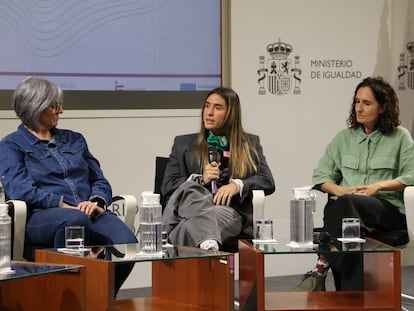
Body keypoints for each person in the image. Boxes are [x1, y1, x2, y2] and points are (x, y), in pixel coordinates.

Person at [0, 77, 138, 295]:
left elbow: (99, 180)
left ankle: (99, 300)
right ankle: (62, 300)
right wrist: (63, 206)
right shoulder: (11, 145)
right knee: (75, 219)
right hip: (41, 217)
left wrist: (97, 201)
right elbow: (20, 190)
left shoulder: (74, 139)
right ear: (36, 107)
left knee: (127, 244)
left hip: (89, 212)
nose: (61, 111)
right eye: (55, 106)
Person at [293, 76, 414, 292]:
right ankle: (351, 301)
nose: (359, 108)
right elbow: (321, 176)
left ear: (383, 107)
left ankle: (322, 265)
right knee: (349, 229)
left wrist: (378, 187)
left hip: (386, 211)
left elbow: (412, 175)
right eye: (357, 102)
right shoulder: (344, 138)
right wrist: (339, 190)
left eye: (367, 103)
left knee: (344, 210)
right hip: (349, 214)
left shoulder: (400, 137)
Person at [161, 87, 275, 251]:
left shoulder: (249, 144)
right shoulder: (183, 144)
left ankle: (191, 248)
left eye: (217, 108)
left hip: (227, 212)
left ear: (231, 114)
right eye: (207, 106)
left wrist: (238, 185)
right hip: (186, 211)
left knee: (187, 228)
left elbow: (267, 181)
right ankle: (209, 246)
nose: (209, 112)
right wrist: (201, 179)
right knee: (192, 189)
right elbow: (167, 186)